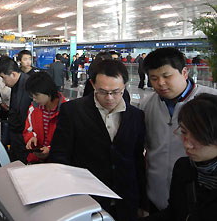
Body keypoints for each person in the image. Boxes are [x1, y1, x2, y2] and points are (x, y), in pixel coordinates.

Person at [50, 59, 146, 221]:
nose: (109, 98)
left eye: (116, 91)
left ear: (124, 86)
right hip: (87, 202)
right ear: (92, 85)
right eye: (102, 91)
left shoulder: (135, 116)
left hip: (125, 202)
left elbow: (137, 160)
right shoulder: (73, 111)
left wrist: (142, 202)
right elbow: (60, 156)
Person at [139, 47, 217, 212]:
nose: (160, 83)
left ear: (184, 72)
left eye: (167, 76)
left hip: (197, 197)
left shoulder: (210, 102)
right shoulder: (147, 104)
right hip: (156, 194)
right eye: (153, 78)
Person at [140, 93, 217, 221]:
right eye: (184, 132)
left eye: (198, 137)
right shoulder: (184, 167)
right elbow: (174, 213)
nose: (187, 144)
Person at [23, 72, 66, 164]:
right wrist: (31, 138)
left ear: (48, 92)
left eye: (36, 95)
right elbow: (28, 130)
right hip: (36, 160)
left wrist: (50, 149)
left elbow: (67, 140)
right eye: (32, 96)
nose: (34, 99)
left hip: (56, 163)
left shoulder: (66, 110)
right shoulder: (33, 109)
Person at [0, 57, 31, 164]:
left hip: (23, 137)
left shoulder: (27, 85)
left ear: (13, 74)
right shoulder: (16, 85)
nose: (3, 82)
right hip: (15, 135)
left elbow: (25, 114)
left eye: (4, 78)